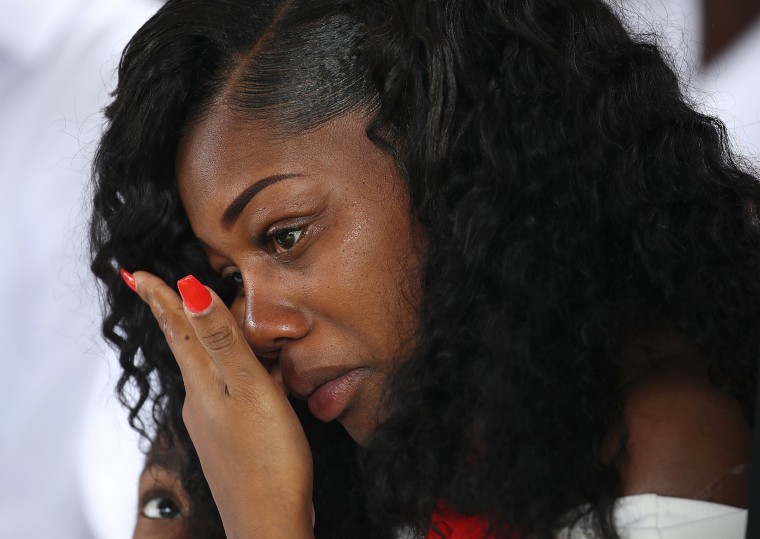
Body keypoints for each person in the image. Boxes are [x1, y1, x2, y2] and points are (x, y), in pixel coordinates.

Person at [90, 0, 760, 537]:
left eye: (286, 235)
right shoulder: (415, 464)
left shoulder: (665, 439)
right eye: (229, 281)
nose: (257, 324)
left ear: (456, 163)